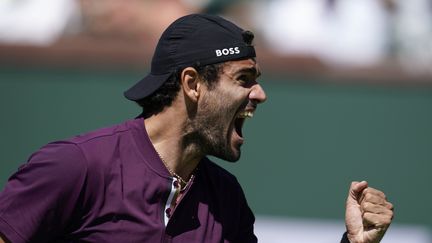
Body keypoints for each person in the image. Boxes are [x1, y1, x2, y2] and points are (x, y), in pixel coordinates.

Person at [0, 14, 393, 242]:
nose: (260, 94)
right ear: (192, 84)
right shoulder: (74, 167)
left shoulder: (226, 199)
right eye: (244, 79)